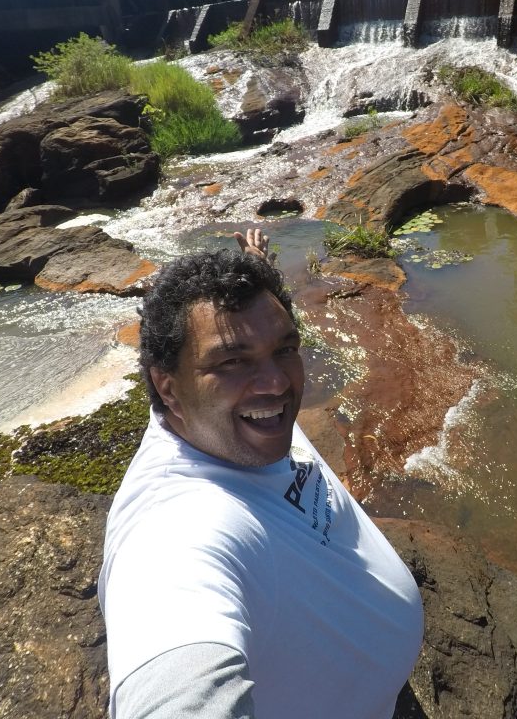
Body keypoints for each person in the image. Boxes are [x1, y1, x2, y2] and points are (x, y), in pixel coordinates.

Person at [98, 229, 424, 719]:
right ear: (168, 387)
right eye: (233, 362)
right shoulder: (175, 530)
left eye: (284, 349)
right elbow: (176, 687)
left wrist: (256, 263)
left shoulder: (225, 425)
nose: (276, 383)